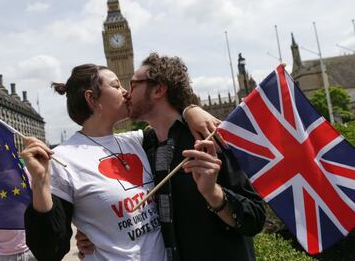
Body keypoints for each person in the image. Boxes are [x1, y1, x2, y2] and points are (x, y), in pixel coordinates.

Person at [77, 53, 266, 260]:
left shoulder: (209, 139)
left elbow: (255, 219)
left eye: (133, 85)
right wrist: (97, 229)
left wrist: (214, 193)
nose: (126, 94)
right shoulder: (144, 148)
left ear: (158, 90)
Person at [21, 64, 215, 260]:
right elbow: (48, 251)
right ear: (92, 98)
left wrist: (191, 110)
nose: (126, 92)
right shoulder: (63, 159)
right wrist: (40, 182)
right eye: (116, 86)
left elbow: (169, 119)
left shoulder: (138, 141)